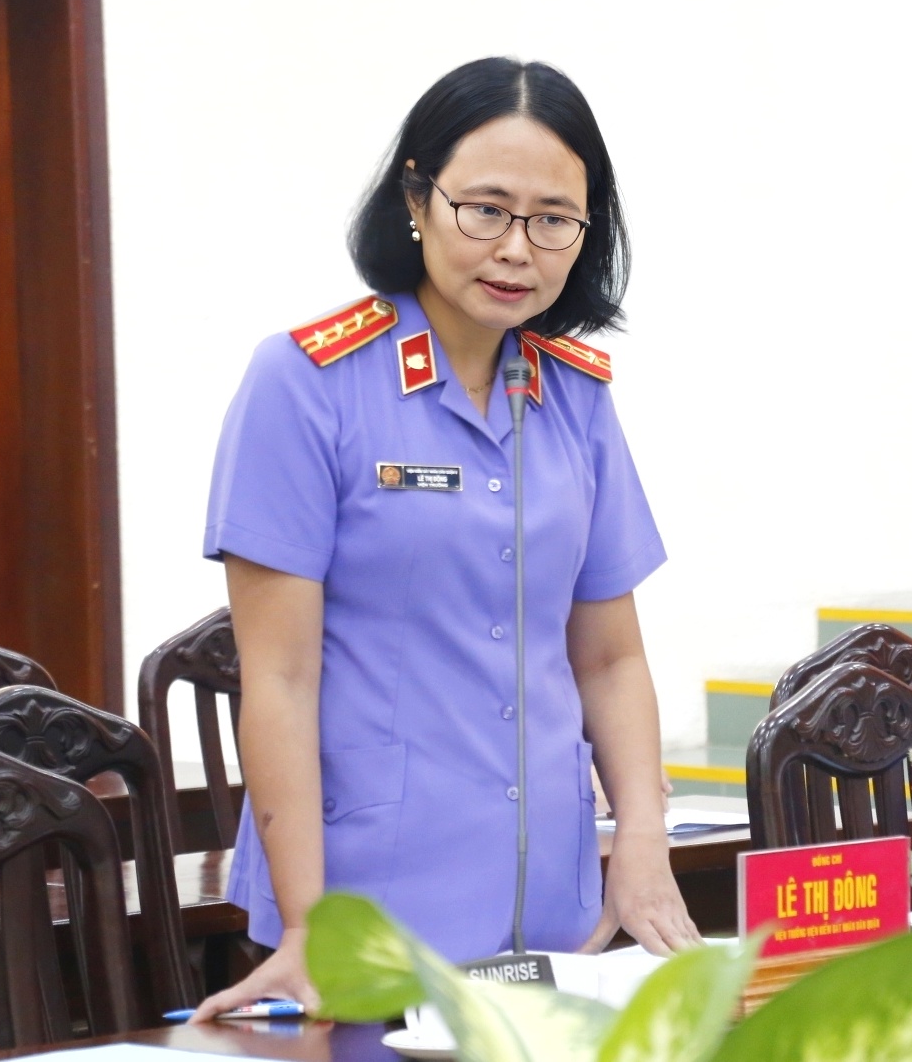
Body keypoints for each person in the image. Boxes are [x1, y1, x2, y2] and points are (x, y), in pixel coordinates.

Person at [192, 58, 699, 1019]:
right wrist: (305, 929)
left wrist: (642, 836)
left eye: (553, 219)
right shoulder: (306, 383)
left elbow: (609, 656)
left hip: (550, 910)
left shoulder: (575, 396)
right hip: (366, 910)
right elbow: (280, 678)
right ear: (416, 199)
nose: (516, 248)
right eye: (486, 209)